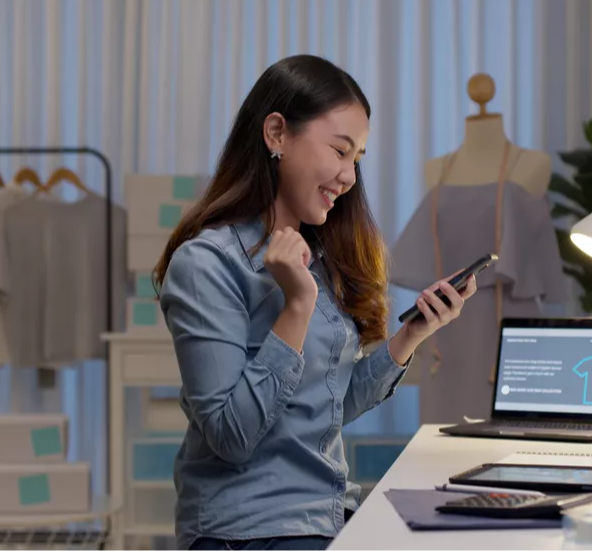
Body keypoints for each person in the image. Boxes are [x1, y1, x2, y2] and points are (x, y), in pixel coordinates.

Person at [153, 54, 477, 551]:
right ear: (277, 134)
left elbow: (326, 406)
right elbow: (231, 436)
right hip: (246, 530)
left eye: (358, 159)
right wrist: (296, 306)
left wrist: (412, 334)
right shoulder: (206, 265)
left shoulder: (319, 259)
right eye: (340, 151)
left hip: (324, 515)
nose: (348, 177)